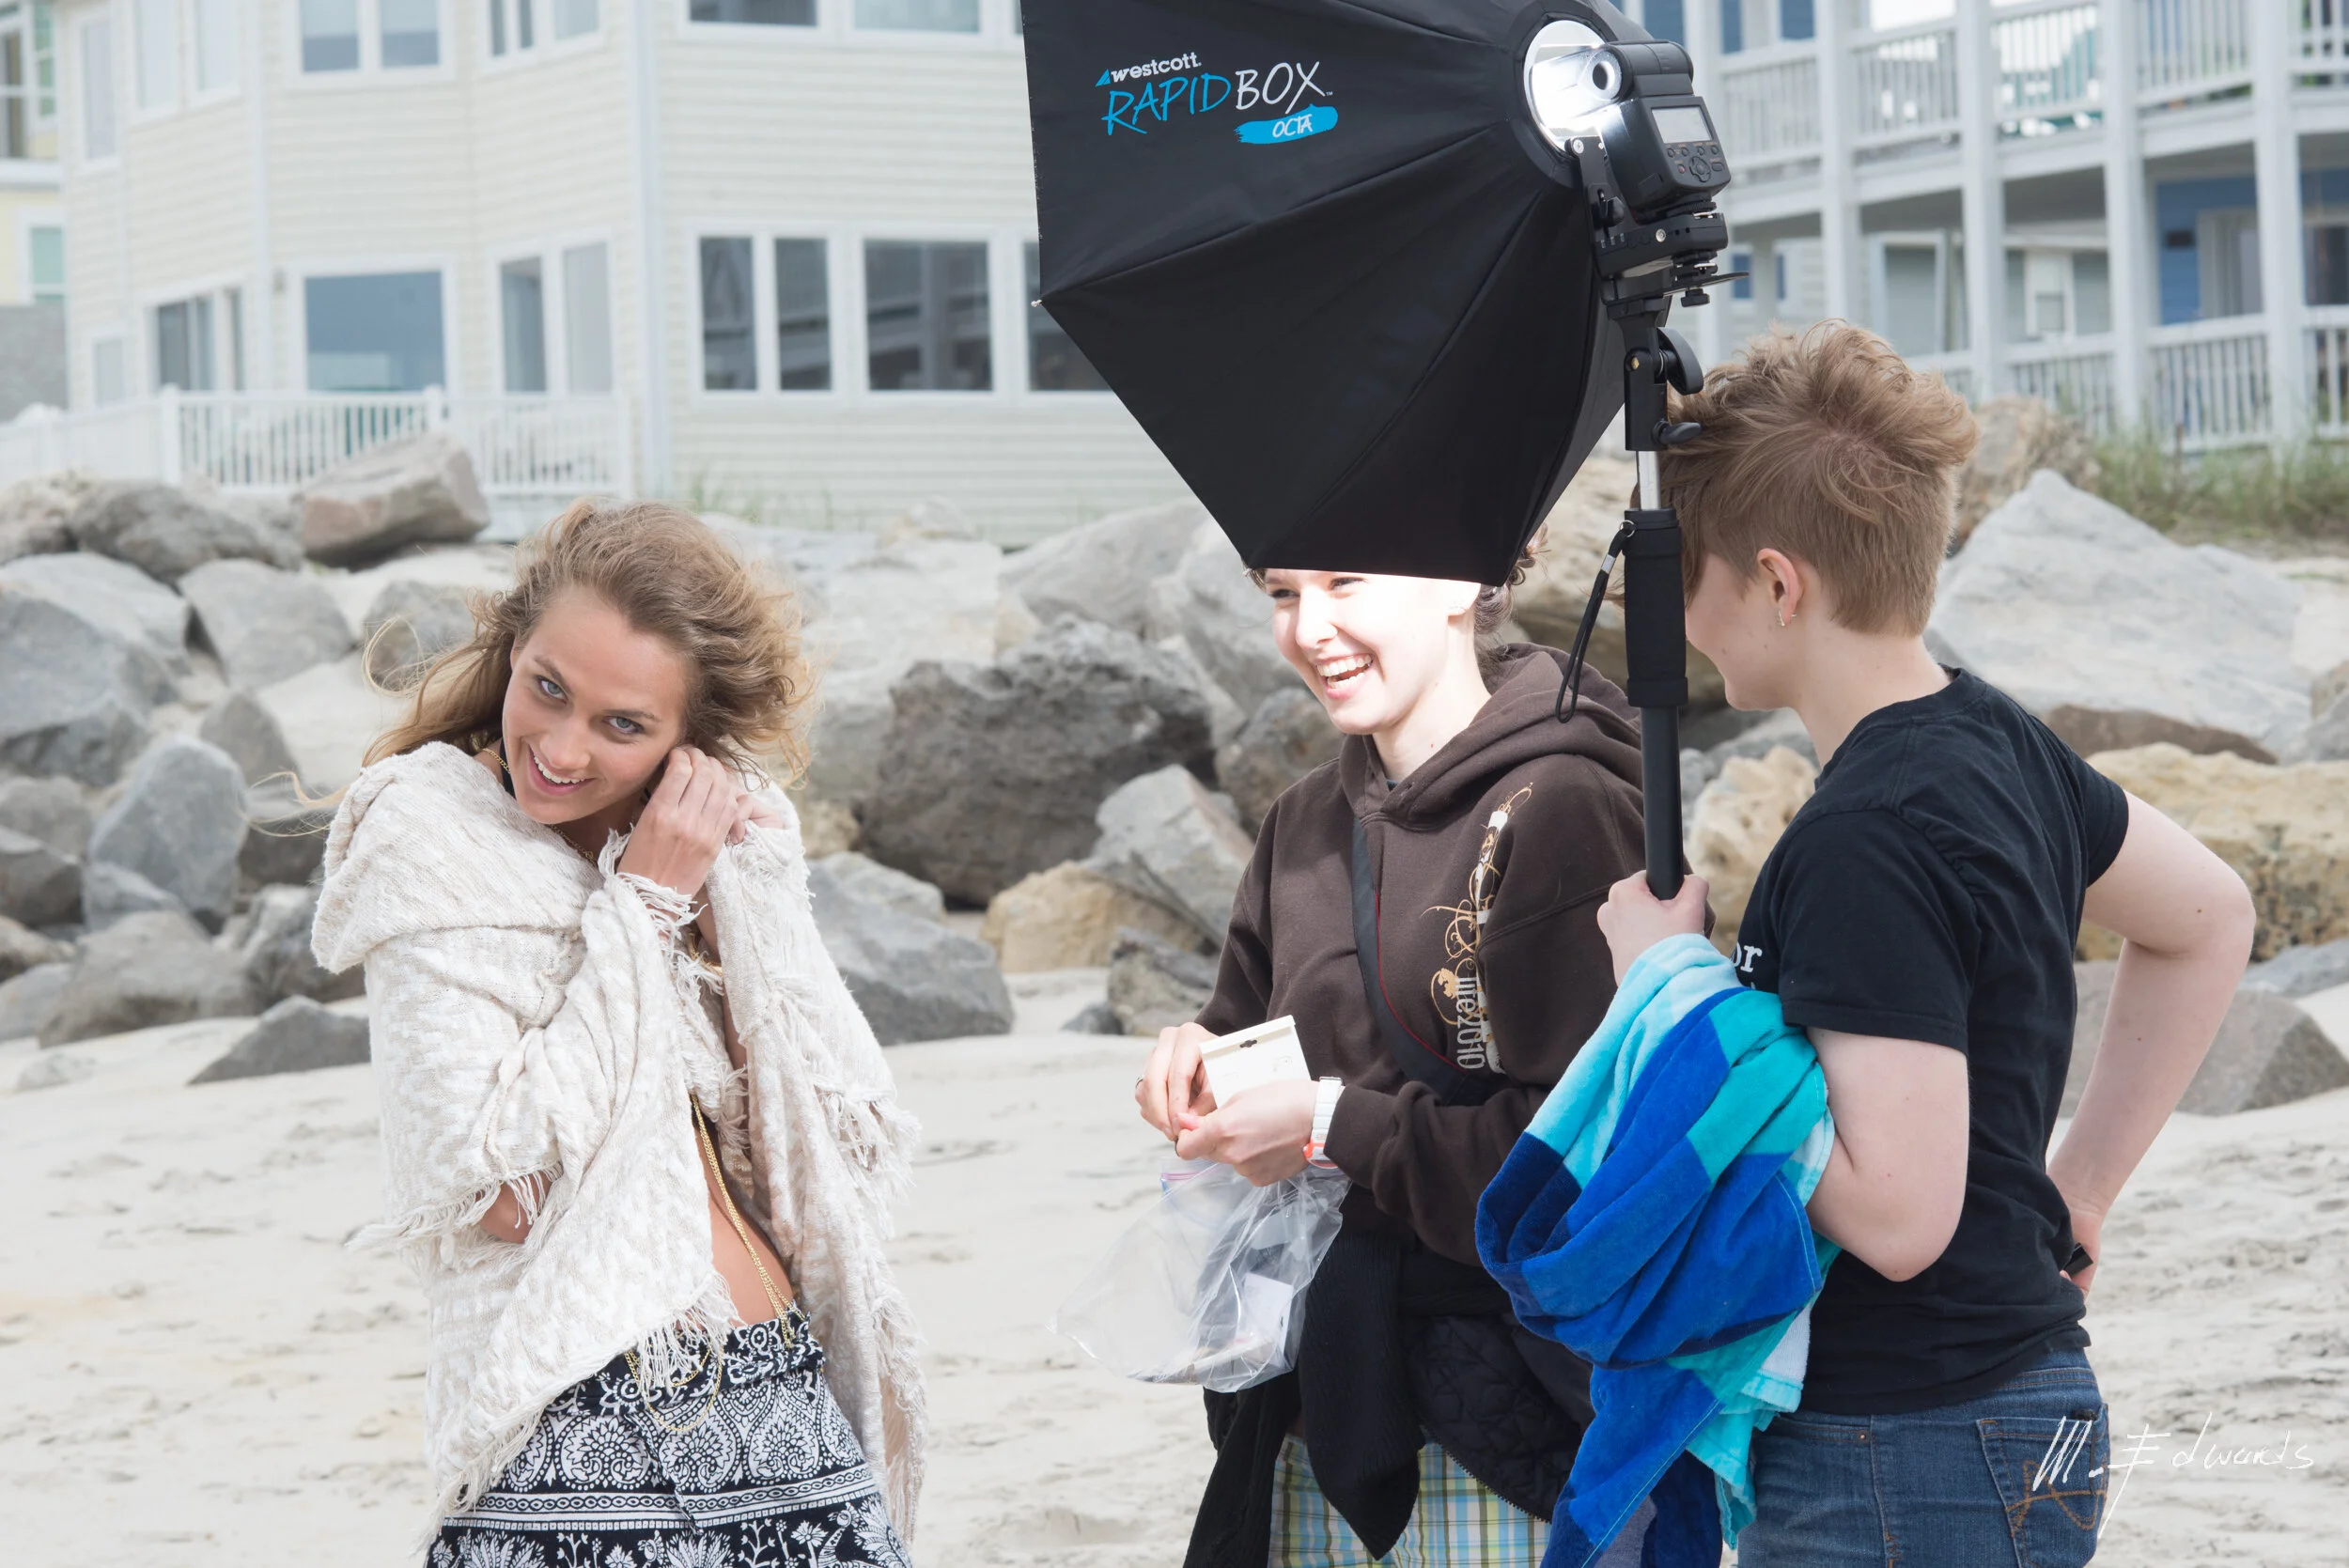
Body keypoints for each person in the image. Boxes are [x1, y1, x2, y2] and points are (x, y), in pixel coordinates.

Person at [1595, 323, 2254, 1568]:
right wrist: (2082, 1187)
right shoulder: (1995, 737)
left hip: (1901, 1441)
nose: (1680, 620)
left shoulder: (1863, 836)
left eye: (1689, 578)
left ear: (1778, 583)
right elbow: (2209, 917)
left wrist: (1666, 993)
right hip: (2010, 1403)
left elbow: (1898, 1217)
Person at [311, 501, 926, 1565]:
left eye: (622, 725)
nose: (559, 748)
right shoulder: (430, 838)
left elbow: (836, 1129)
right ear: (513, 647)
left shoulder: (720, 842)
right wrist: (641, 906)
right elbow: (495, 1192)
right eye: (547, 687)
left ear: (686, 738)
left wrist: (732, 893)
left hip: (784, 1399)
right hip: (578, 1426)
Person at [1137, 559, 1661, 1567]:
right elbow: (1245, 1036)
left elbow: (1589, 1158)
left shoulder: (1567, 805)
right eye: (1282, 593)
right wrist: (1194, 1066)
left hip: (1515, 1414)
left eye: (1346, 583)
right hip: (1307, 1401)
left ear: (1464, 581)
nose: (1308, 628)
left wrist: (1325, 1122)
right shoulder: (1301, 823)